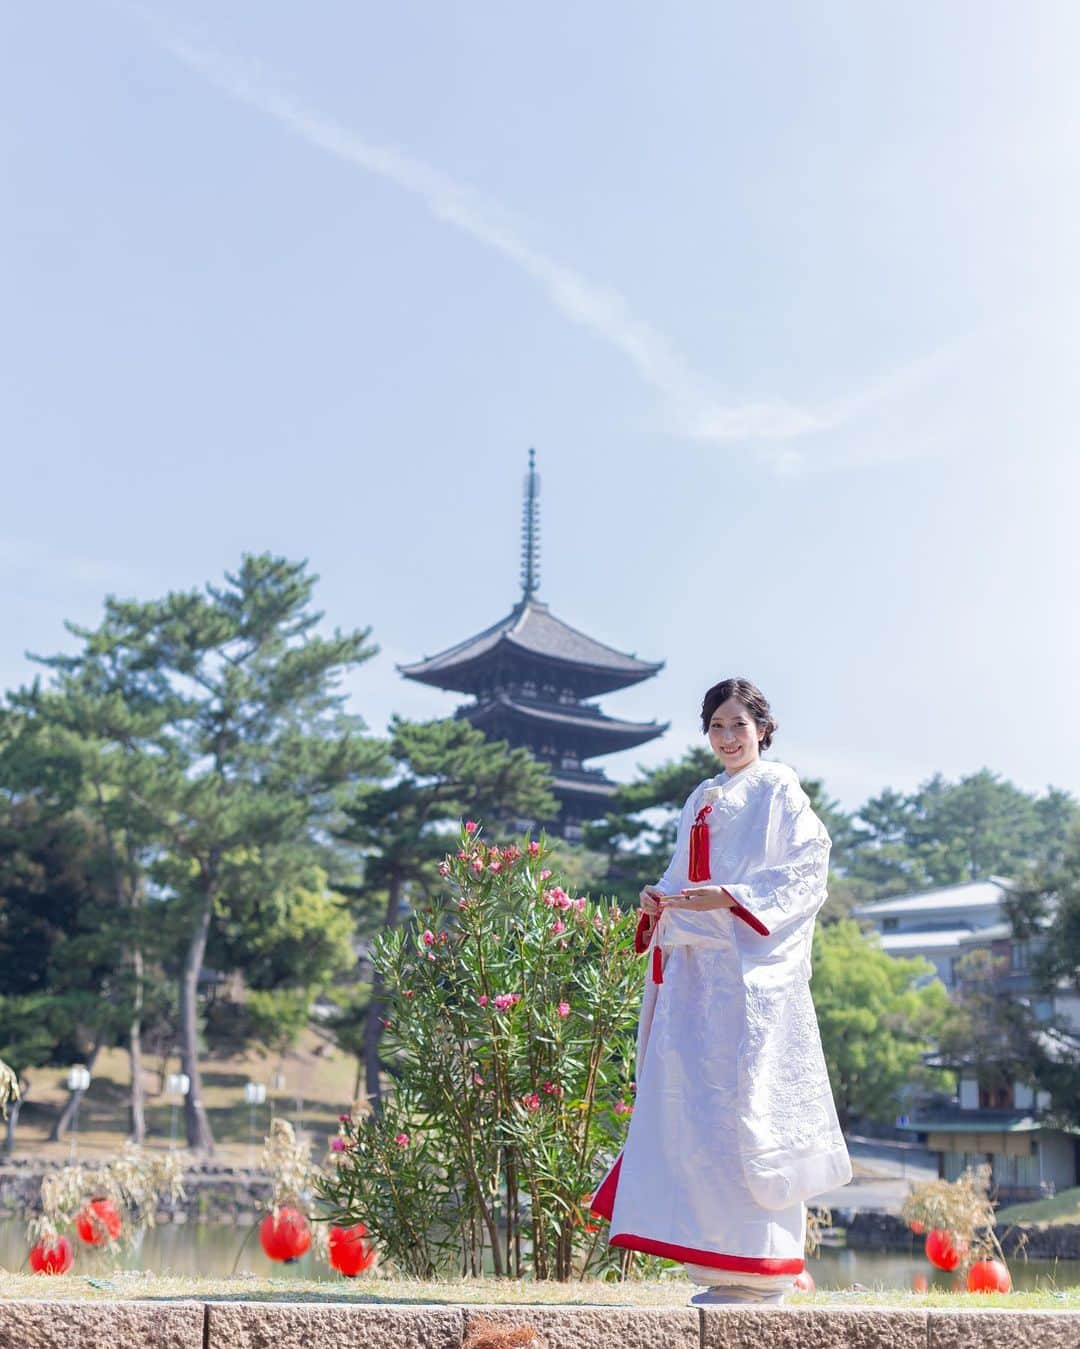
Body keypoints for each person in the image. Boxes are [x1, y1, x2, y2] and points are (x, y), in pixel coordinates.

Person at [589, 677, 851, 1305]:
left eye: (739, 724)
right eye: (717, 727)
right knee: (696, 1117)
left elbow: (808, 868)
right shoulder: (701, 797)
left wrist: (734, 900)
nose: (729, 738)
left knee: (748, 1113)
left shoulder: (778, 787)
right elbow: (684, 876)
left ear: (763, 727)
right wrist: (658, 898)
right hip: (697, 983)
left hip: (745, 985)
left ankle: (762, 1268)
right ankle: (716, 1267)